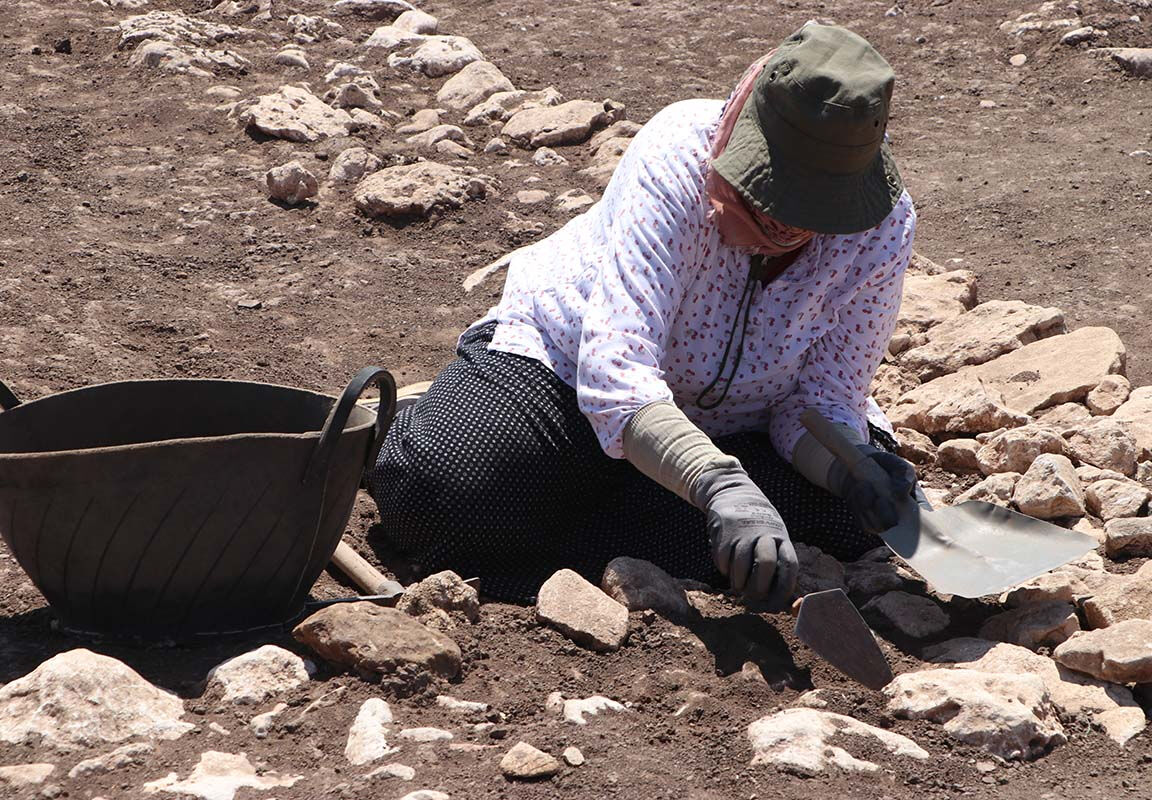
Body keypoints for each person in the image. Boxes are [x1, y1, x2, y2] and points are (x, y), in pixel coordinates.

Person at [369, 22, 917, 609]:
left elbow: (820, 402)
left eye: (813, 209)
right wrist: (717, 483)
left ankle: (580, 529)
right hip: (568, 375)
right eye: (773, 194)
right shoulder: (679, 154)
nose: (786, 225)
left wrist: (848, 466)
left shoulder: (882, 229)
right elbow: (616, 369)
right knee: (436, 486)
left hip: (741, 425)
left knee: (855, 519)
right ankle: (652, 521)